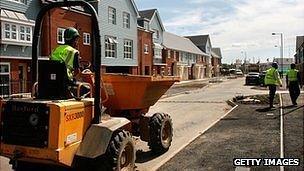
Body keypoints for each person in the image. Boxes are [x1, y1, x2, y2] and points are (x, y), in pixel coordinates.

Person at [50, 27, 89, 97]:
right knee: (88, 88)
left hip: (52, 81)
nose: (77, 43)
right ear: (74, 40)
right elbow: (77, 72)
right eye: (77, 40)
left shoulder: (56, 49)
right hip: (66, 81)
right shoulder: (74, 52)